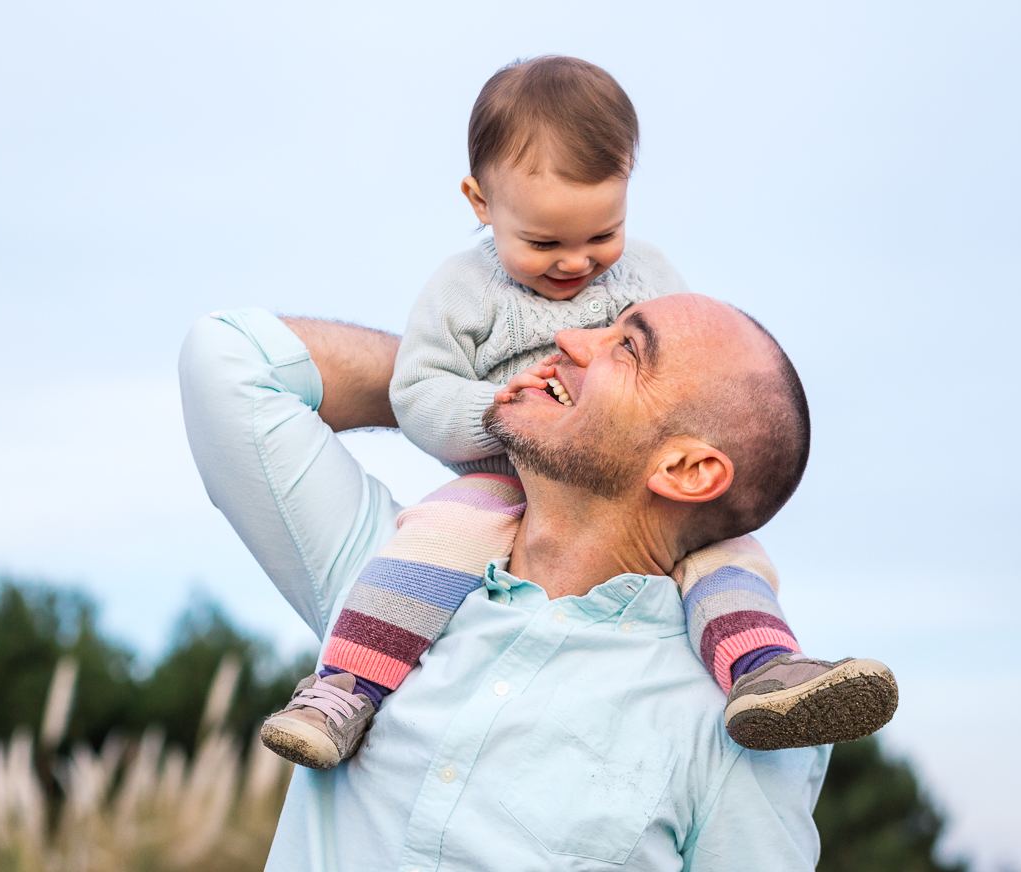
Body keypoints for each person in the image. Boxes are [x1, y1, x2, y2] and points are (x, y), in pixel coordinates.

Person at [252, 56, 897, 771]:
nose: (575, 263)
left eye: (601, 236)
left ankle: (766, 669)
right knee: (432, 538)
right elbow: (418, 393)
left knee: (727, 549)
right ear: (480, 203)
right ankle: (347, 687)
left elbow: (685, 376)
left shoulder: (647, 274)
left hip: (624, 484)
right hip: (504, 470)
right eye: (544, 243)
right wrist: (490, 408)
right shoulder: (463, 291)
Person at [178, 292, 877, 869]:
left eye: (626, 349)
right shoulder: (388, 587)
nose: (570, 338)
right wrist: (442, 397)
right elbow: (230, 361)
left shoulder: (735, 727)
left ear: (688, 471)